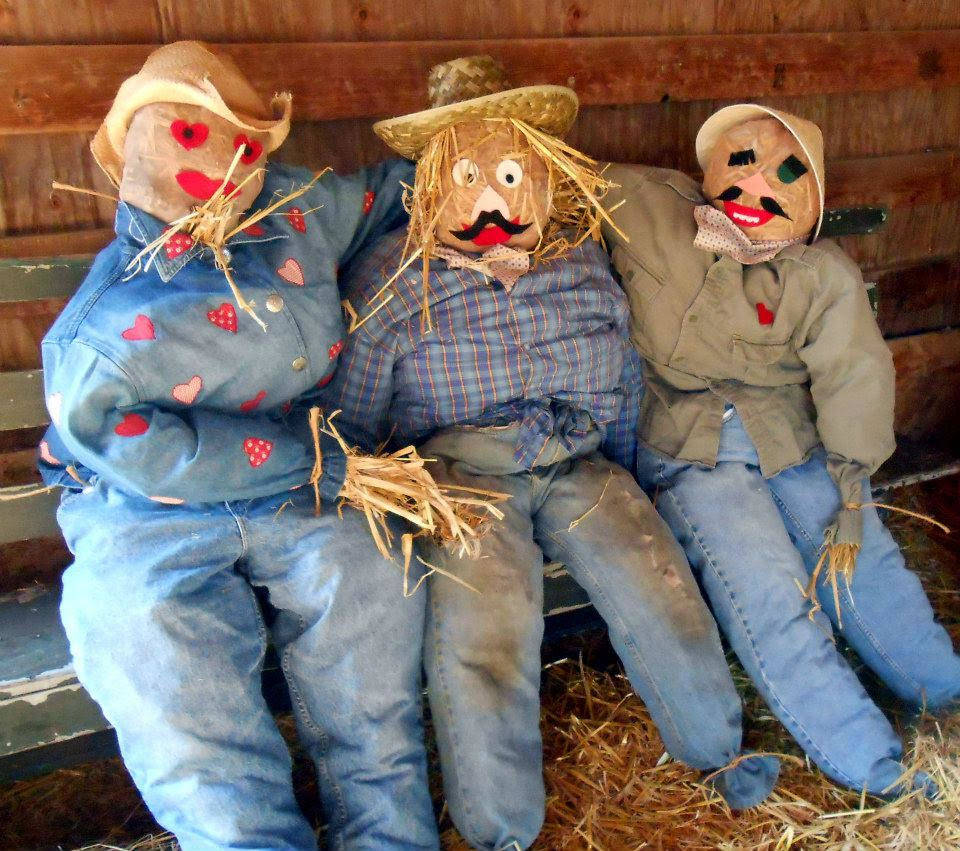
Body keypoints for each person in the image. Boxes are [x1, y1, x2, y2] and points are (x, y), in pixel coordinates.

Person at [325, 56, 779, 851]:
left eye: (511, 174)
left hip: (575, 455)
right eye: (470, 177)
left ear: (542, 173)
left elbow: (617, 364)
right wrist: (378, 493)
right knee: (484, 624)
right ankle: (501, 824)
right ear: (434, 181)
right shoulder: (397, 277)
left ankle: (717, 750)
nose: (495, 203)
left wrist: (632, 468)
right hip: (461, 474)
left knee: (658, 577)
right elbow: (354, 410)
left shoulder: (574, 256)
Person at [39, 41, 438, 850]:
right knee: (142, 629)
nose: (226, 160)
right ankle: (245, 838)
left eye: (248, 143)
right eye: (191, 135)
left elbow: (394, 195)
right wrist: (306, 459)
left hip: (302, 485)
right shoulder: (106, 321)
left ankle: (387, 833)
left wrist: (479, 162)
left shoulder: (293, 212)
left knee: (368, 583)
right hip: (144, 503)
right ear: (136, 148)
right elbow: (115, 433)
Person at [601, 103, 960, 798]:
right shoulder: (650, 208)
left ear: (813, 196)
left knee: (863, 566)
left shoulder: (819, 272)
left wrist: (853, 486)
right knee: (766, 594)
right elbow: (552, 175)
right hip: (692, 448)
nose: (758, 181)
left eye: (786, 171)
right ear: (710, 168)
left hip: (790, 439)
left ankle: (944, 694)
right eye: (741, 162)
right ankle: (880, 768)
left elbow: (854, 371)